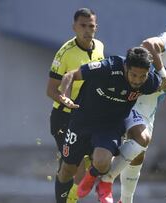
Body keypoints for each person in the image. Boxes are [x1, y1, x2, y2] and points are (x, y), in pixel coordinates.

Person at [93, 14, 166, 203]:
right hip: (137, 104)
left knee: (137, 157)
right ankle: (105, 179)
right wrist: (164, 78)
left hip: (149, 109)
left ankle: (125, 200)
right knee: (140, 141)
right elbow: (148, 45)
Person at [55, 47, 166, 203]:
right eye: (134, 75)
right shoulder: (108, 67)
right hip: (83, 119)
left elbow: (163, 84)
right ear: (125, 67)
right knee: (67, 170)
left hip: (110, 125)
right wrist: (65, 97)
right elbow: (71, 75)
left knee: (103, 163)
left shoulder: (149, 81)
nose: (137, 80)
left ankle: (93, 174)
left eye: (142, 76)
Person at [46, 8, 104, 203]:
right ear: (74, 27)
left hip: (89, 117)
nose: (87, 30)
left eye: (91, 26)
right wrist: (66, 100)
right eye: (82, 26)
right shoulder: (64, 53)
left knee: (88, 168)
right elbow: (51, 90)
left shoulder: (100, 47)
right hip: (65, 118)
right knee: (71, 169)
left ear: (96, 27)